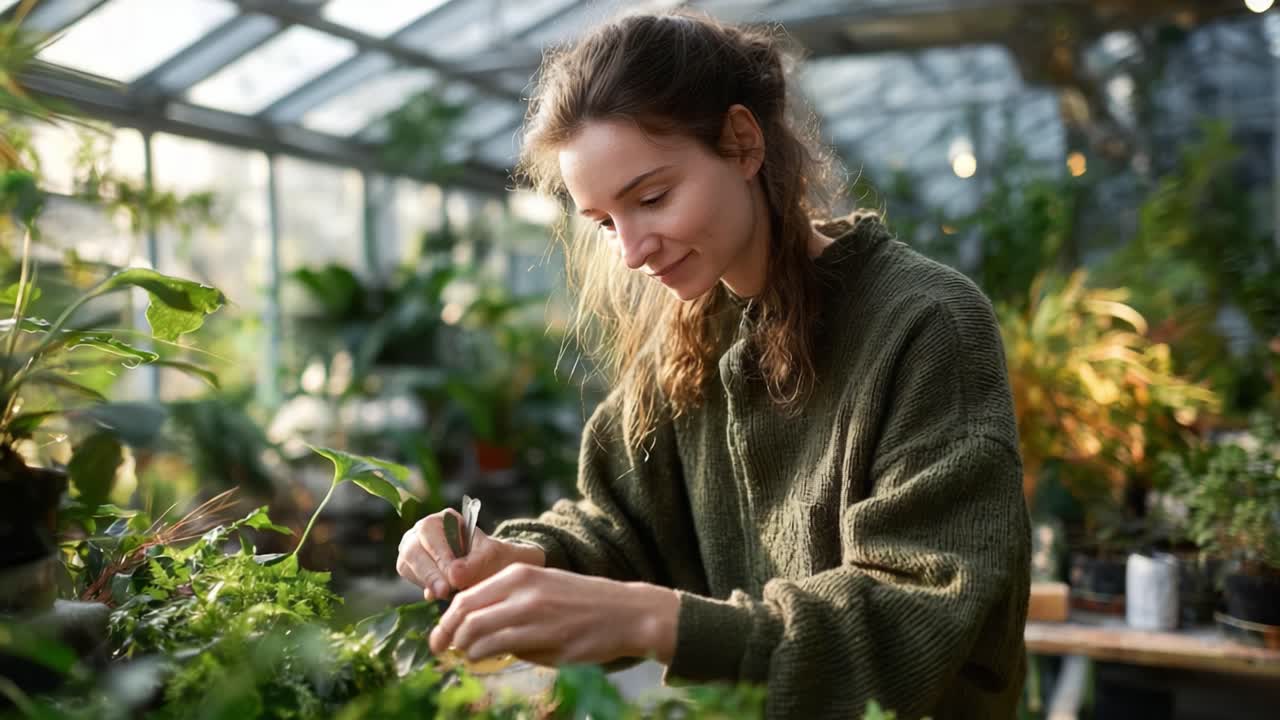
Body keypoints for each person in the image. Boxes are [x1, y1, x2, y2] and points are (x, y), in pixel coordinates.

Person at [396, 10, 1030, 719]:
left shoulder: (924, 324)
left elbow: (915, 614)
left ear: (742, 142)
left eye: (653, 198)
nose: (632, 251)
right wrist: (516, 561)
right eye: (606, 222)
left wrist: (655, 620)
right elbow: (622, 527)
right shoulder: (691, 331)